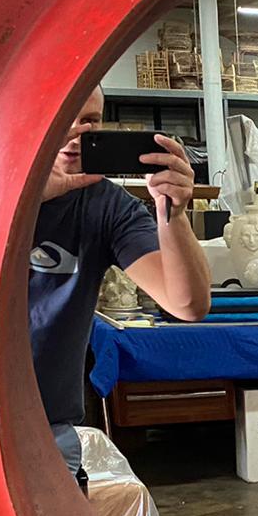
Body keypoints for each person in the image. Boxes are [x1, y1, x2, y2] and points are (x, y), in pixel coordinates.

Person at [29, 86, 210, 481]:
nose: (75, 135)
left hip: (48, 431)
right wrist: (25, 200)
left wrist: (173, 214)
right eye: (62, 119)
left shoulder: (105, 205)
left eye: (89, 122)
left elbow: (187, 303)